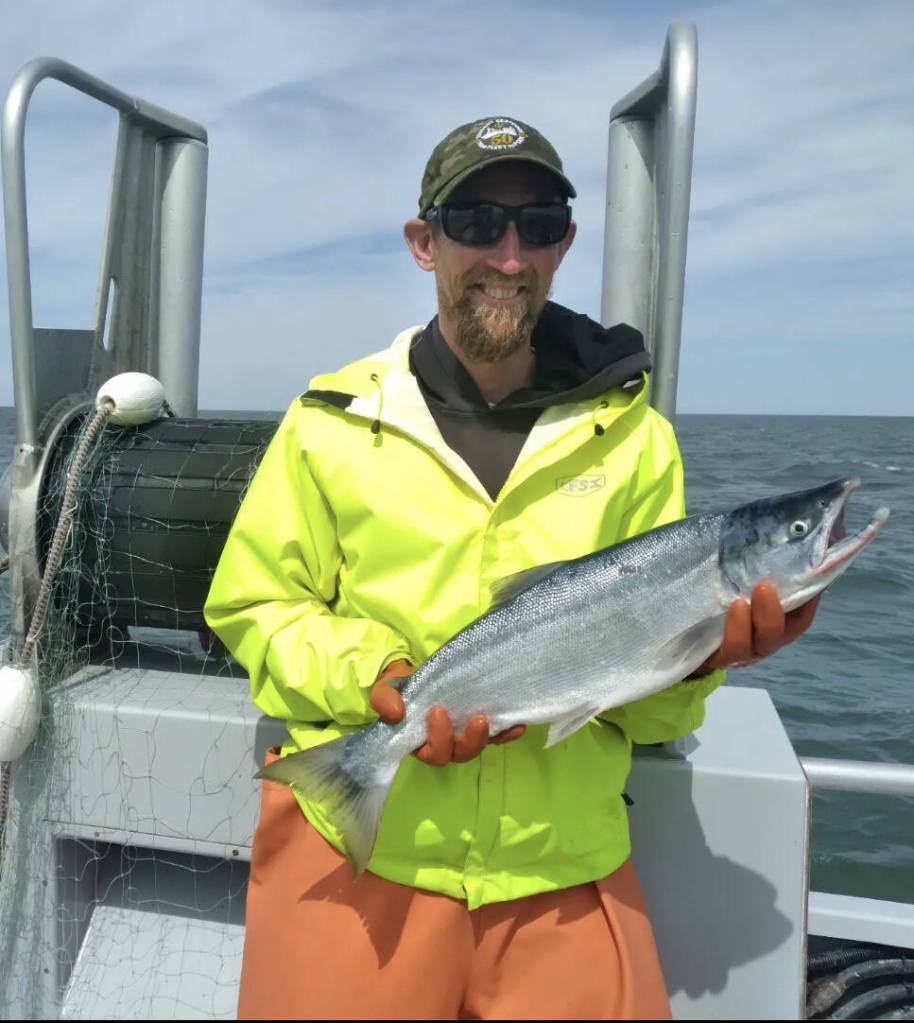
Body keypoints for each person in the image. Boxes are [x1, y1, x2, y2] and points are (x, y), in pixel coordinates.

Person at [204, 116, 819, 1020]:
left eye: (538, 224)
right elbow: (255, 603)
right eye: (477, 220)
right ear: (426, 242)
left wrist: (705, 658)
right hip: (355, 856)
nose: (507, 253)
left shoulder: (638, 440)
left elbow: (641, 700)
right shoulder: (330, 419)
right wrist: (376, 676)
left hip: (565, 871)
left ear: (565, 241)